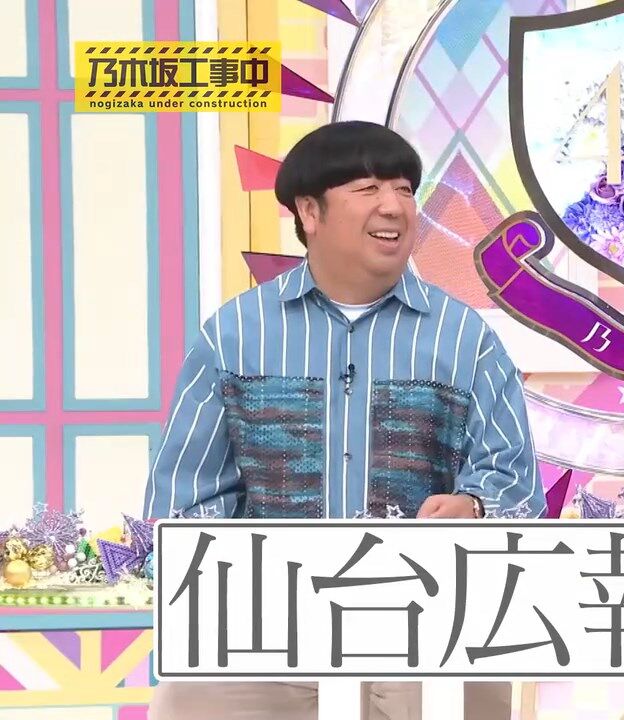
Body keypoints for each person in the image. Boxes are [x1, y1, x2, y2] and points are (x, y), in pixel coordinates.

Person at [144, 120, 543, 720]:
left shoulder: (466, 337)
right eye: (369, 188)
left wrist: (474, 507)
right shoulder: (233, 335)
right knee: (189, 699)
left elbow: (515, 486)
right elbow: (184, 499)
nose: (394, 206)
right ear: (309, 211)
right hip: (268, 626)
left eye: (404, 189)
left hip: (426, 628)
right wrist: (243, 590)